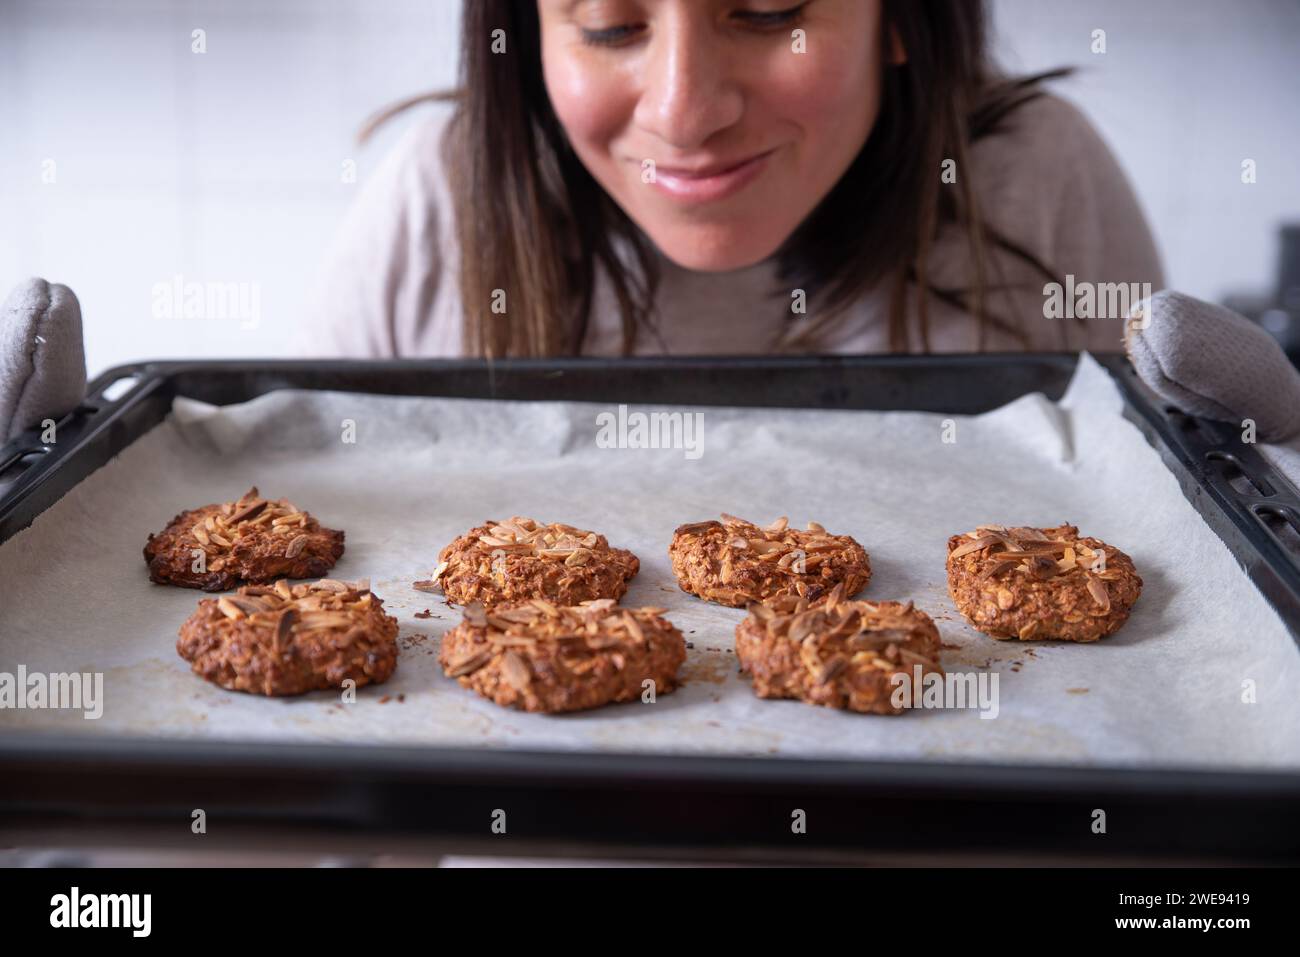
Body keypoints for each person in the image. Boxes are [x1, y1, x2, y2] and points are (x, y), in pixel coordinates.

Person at [309, 0, 1163, 359]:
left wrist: (1275, 484)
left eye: (766, 12)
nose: (685, 114)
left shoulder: (1035, 178)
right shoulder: (439, 206)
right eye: (610, 26)